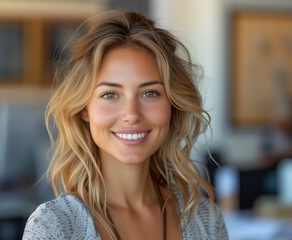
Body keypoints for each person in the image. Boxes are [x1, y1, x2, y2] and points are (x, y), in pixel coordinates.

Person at [23, 11, 228, 240]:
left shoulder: (205, 220)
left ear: (172, 105)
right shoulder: (54, 226)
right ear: (84, 109)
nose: (131, 114)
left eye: (150, 93)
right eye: (110, 95)